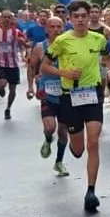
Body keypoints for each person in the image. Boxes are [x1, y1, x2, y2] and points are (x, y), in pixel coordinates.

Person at [42, 0, 110, 213]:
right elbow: (45, 66)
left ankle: (91, 191)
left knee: (93, 142)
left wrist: (109, 70)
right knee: (78, 148)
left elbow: (109, 58)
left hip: (92, 94)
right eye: (77, 17)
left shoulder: (99, 39)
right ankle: (74, 147)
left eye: (84, 15)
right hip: (70, 97)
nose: (81, 20)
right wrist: (63, 72)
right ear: (70, 19)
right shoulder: (61, 41)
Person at [27, 16, 70, 176]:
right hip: (47, 92)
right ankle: (47, 138)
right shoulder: (40, 47)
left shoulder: (69, 46)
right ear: (46, 29)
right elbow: (31, 68)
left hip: (66, 93)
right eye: (52, 26)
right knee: (50, 127)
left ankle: (59, 162)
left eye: (59, 26)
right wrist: (31, 87)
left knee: (63, 130)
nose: (56, 30)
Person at [0, 11, 26, 120]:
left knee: (12, 90)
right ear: (1, 19)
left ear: (12, 19)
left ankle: (8, 108)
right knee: (2, 83)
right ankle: (0, 87)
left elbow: (25, 42)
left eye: (9, 17)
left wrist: (23, 42)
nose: (7, 19)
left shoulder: (16, 32)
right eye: (5, 17)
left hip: (13, 64)